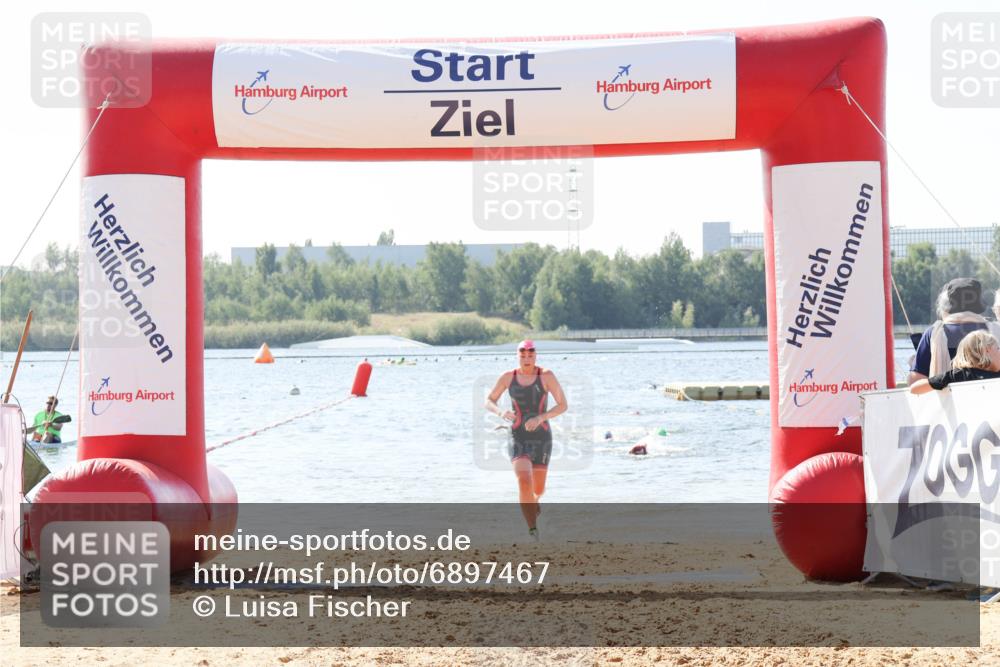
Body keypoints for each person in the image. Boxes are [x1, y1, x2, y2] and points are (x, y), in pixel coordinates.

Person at [485, 340, 568, 541]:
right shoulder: (507, 377)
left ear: (535, 356)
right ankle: (532, 529)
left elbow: (563, 405)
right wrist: (501, 411)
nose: (527, 358)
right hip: (517, 435)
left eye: (530, 355)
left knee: (538, 489)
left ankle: (535, 501)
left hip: (542, 436)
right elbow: (489, 400)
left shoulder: (546, 376)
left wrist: (540, 418)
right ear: (518, 356)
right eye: (523, 355)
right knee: (523, 480)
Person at [908, 278, 1000, 384]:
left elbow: (915, 380)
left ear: (947, 305)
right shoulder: (996, 330)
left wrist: (912, 365)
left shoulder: (934, 333)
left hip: (948, 398)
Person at [909, 330, 1000, 395]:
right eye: (998, 348)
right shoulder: (961, 374)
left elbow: (914, 388)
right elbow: (913, 389)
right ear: (986, 350)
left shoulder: (959, 374)